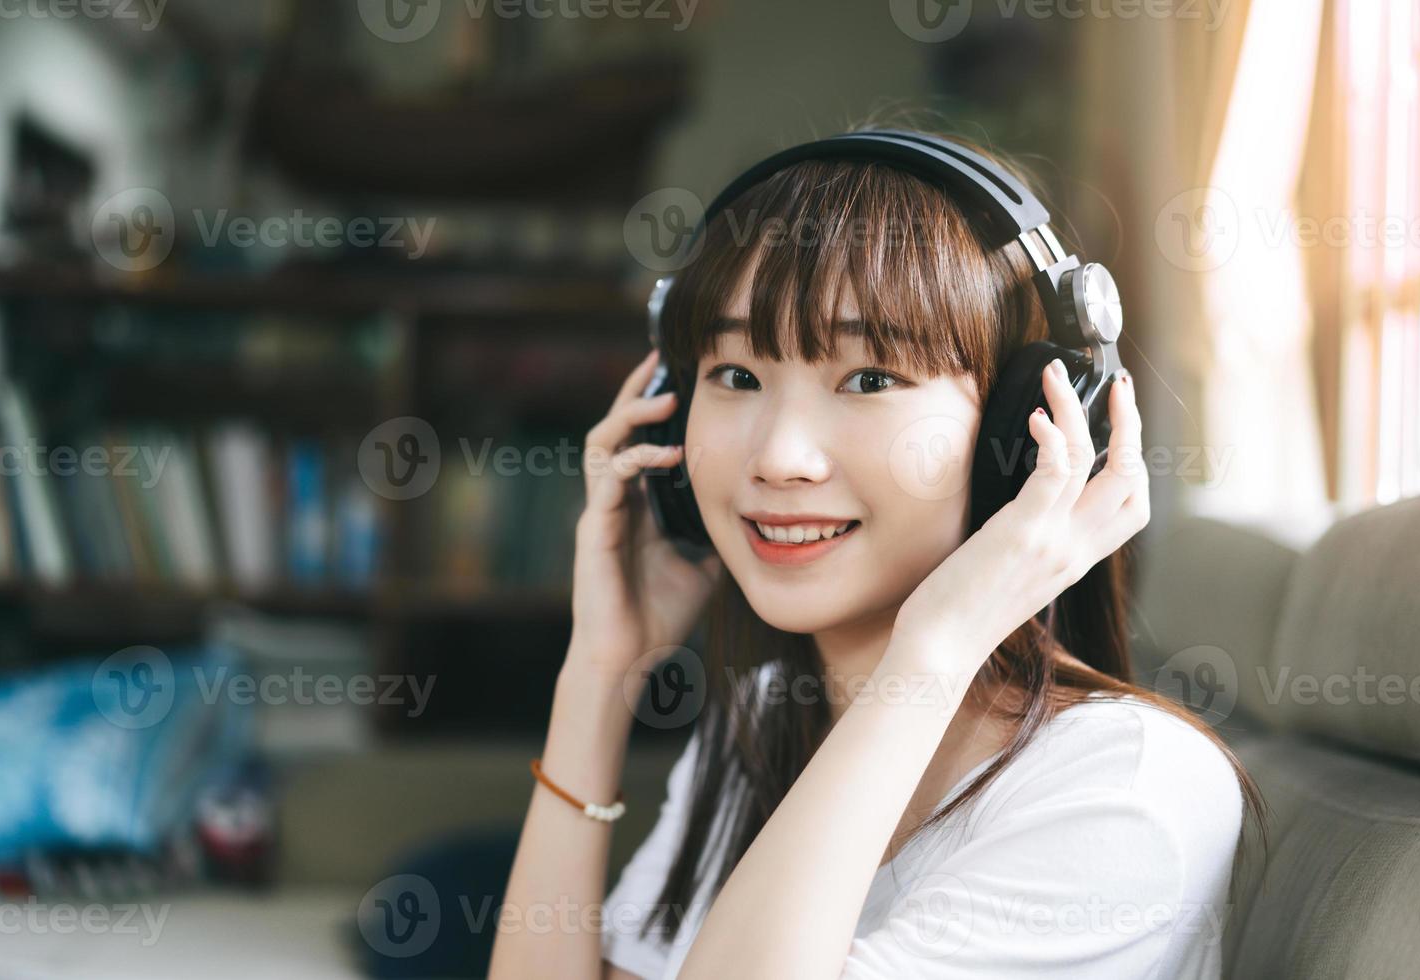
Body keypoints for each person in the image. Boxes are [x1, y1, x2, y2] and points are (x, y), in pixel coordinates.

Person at [487, 125, 1265, 980]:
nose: (780, 458)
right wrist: (599, 677)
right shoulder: (765, 721)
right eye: (737, 376)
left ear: (1022, 431)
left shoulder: (1124, 786)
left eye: (870, 379)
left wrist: (930, 655)